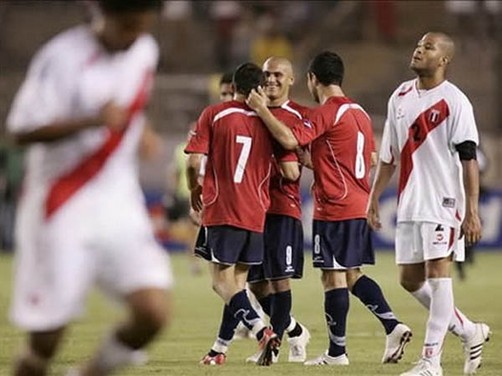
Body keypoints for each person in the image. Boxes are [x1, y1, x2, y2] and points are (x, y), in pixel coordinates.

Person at [6, 1, 172, 375]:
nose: (135, 35)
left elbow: (129, 102)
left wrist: (140, 131)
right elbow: (19, 130)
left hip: (116, 197)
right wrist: (92, 122)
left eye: (143, 25)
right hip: (61, 201)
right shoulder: (61, 58)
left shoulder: (144, 49)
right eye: (128, 25)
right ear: (102, 15)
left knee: (153, 312)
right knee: (46, 339)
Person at [247, 51, 412, 366]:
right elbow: (371, 158)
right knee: (352, 274)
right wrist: (327, 165)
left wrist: (261, 111)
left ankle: (337, 352)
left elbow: (290, 138)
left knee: (332, 278)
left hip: (335, 205)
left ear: (311, 79)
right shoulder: (359, 112)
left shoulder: (327, 112)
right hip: (357, 201)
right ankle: (392, 325)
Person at [366, 32, 491, 376]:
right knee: (409, 280)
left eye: (429, 47)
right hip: (409, 202)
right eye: (419, 45)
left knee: (439, 279)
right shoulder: (401, 96)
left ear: (443, 60)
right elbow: (389, 155)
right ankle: (469, 330)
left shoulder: (455, 101)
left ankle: (430, 362)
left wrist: (472, 211)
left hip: (443, 202)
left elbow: (469, 160)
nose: (419, 50)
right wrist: (374, 197)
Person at [184, 62, 298, 366]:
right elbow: (290, 162)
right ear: (259, 88)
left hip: (223, 208)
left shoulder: (215, 114)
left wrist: (193, 187)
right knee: (238, 282)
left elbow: (195, 162)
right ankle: (219, 349)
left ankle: (261, 330)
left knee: (220, 282)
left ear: (233, 87)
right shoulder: (268, 121)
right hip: (257, 212)